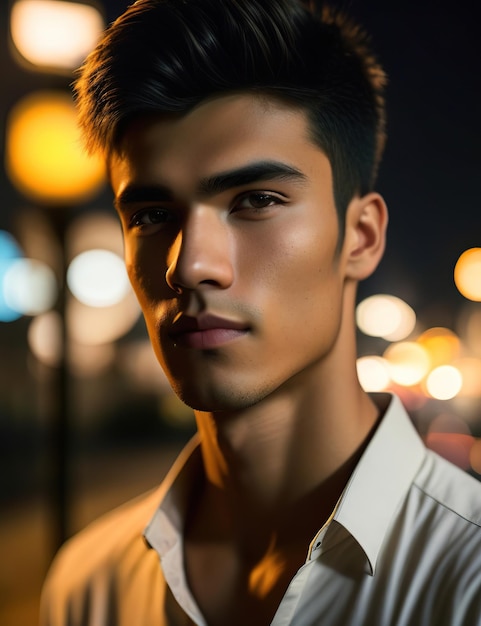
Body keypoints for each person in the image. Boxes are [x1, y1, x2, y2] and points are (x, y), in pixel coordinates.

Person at [40, 0, 481, 624]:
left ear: (360, 237)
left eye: (255, 200)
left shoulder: (467, 581)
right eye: (151, 216)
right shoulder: (89, 587)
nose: (190, 265)